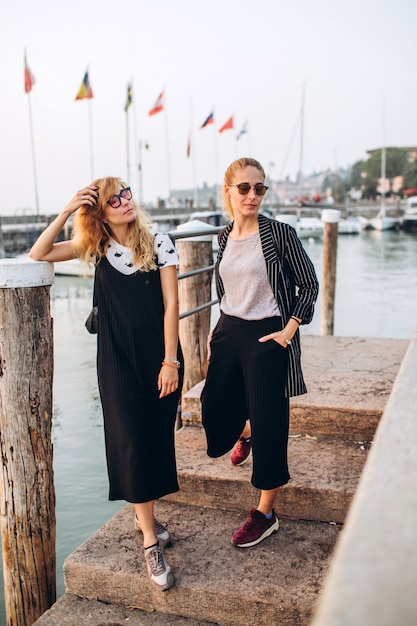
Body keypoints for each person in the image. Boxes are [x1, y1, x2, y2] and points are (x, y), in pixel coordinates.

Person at [30, 178, 182, 591]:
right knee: (128, 441)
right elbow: (38, 252)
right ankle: (151, 539)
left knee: (152, 439)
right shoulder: (95, 247)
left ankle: (144, 514)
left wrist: (170, 361)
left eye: (127, 193)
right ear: (99, 212)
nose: (125, 201)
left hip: (160, 358)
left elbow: (172, 305)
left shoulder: (160, 242)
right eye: (113, 199)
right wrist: (66, 210)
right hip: (115, 360)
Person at [201, 158, 319, 548]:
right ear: (229, 192)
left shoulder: (279, 234)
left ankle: (266, 512)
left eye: (260, 188)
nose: (253, 195)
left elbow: (308, 285)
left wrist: (288, 331)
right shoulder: (223, 237)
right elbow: (226, 288)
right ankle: (244, 432)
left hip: (269, 333)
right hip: (229, 329)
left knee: (271, 421)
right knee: (214, 405)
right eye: (244, 188)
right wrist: (217, 331)